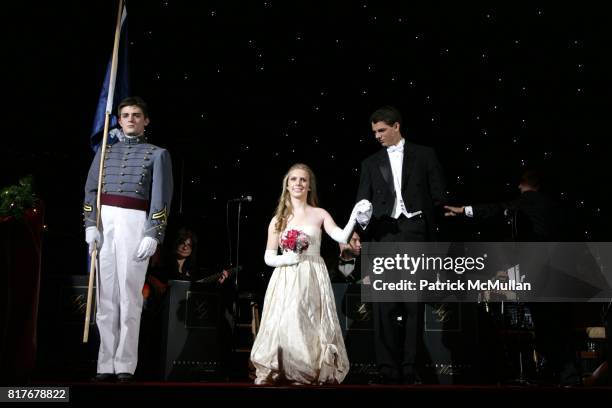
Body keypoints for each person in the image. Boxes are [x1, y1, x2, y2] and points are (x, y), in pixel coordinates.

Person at [444, 169, 583, 385]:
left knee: (546, 325)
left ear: (525, 184)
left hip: (540, 274)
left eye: (519, 184)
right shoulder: (559, 207)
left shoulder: (526, 202)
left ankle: (560, 374)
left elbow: (496, 209)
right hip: (565, 272)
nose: (517, 187)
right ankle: (566, 373)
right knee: (560, 324)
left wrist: (464, 210)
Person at [250, 163, 371, 385]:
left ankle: (307, 370)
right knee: (288, 321)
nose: (298, 183)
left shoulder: (319, 214)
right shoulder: (278, 219)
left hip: (313, 274)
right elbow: (268, 257)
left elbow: (341, 236)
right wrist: (288, 258)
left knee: (310, 321)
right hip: (287, 276)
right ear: (287, 185)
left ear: (309, 186)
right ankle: (286, 369)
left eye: (303, 180)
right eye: (294, 179)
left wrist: (354, 216)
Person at [83, 96, 173, 382]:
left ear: (146, 120)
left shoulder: (157, 154)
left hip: (135, 222)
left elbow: (161, 197)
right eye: (125, 115)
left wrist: (153, 233)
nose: (130, 119)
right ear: (119, 120)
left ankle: (125, 363)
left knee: (130, 295)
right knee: (105, 296)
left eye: (136, 115)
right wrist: (90, 224)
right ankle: (104, 362)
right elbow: (90, 191)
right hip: (105, 222)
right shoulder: (106, 151)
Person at [356, 105, 447, 384]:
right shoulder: (370, 163)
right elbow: (362, 202)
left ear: (397, 126)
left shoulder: (425, 154)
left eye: (382, 130)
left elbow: (438, 194)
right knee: (383, 306)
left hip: (415, 234)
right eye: (374, 132)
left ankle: (410, 368)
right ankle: (387, 370)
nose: (377, 136)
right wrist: (360, 224)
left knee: (412, 305)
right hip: (384, 235)